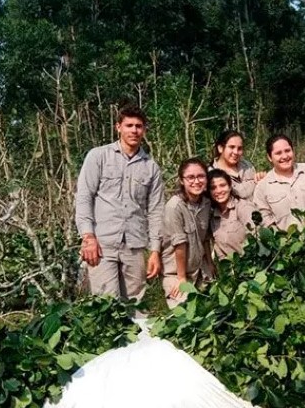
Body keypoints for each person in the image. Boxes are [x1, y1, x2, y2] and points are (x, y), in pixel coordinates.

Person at [75, 104, 164, 303]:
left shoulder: (151, 168)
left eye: (139, 126)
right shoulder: (98, 156)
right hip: (102, 244)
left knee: (135, 304)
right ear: (118, 127)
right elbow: (84, 198)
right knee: (106, 305)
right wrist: (88, 237)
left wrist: (155, 251)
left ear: (144, 130)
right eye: (129, 125)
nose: (134, 130)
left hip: (134, 245)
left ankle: (137, 334)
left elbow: (156, 211)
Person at [161, 158, 213, 308]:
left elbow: (205, 238)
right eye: (191, 177)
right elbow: (180, 245)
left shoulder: (206, 203)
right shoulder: (174, 206)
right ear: (182, 181)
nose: (196, 181)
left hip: (200, 268)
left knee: (214, 306)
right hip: (177, 272)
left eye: (201, 176)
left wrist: (210, 263)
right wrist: (182, 278)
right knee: (186, 312)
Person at [208, 168, 256, 259]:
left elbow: (257, 238)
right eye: (213, 188)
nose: (218, 191)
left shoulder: (244, 207)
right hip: (229, 269)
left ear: (230, 187)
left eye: (222, 185)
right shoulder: (212, 216)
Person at [210, 130, 265, 199]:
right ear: (220, 148)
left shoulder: (247, 166)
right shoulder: (210, 174)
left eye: (239, 148)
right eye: (231, 147)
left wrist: (260, 178)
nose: (236, 152)